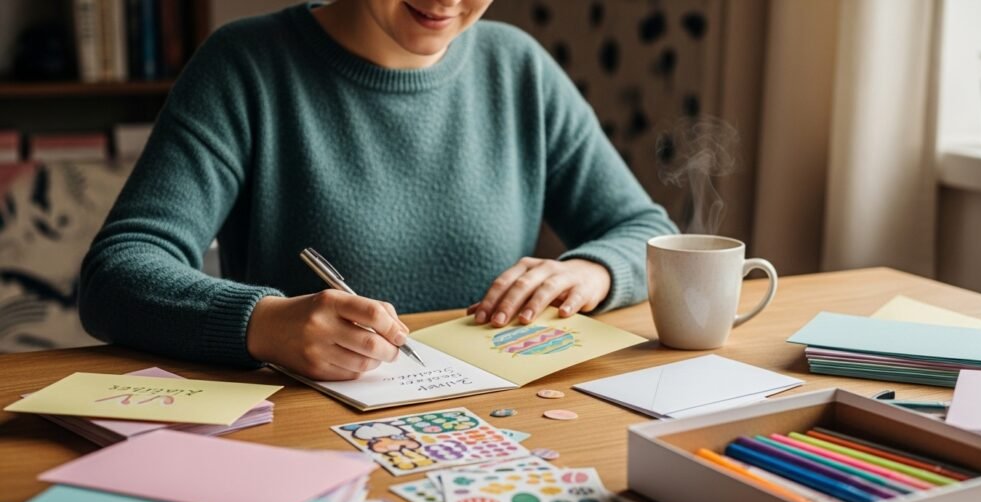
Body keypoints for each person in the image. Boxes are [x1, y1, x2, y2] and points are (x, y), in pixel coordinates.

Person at [79, 0, 678, 381]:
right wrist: (262, 323)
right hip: (305, 433)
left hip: (495, 420)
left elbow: (647, 231)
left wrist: (593, 271)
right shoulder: (245, 66)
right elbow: (117, 273)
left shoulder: (518, 66)